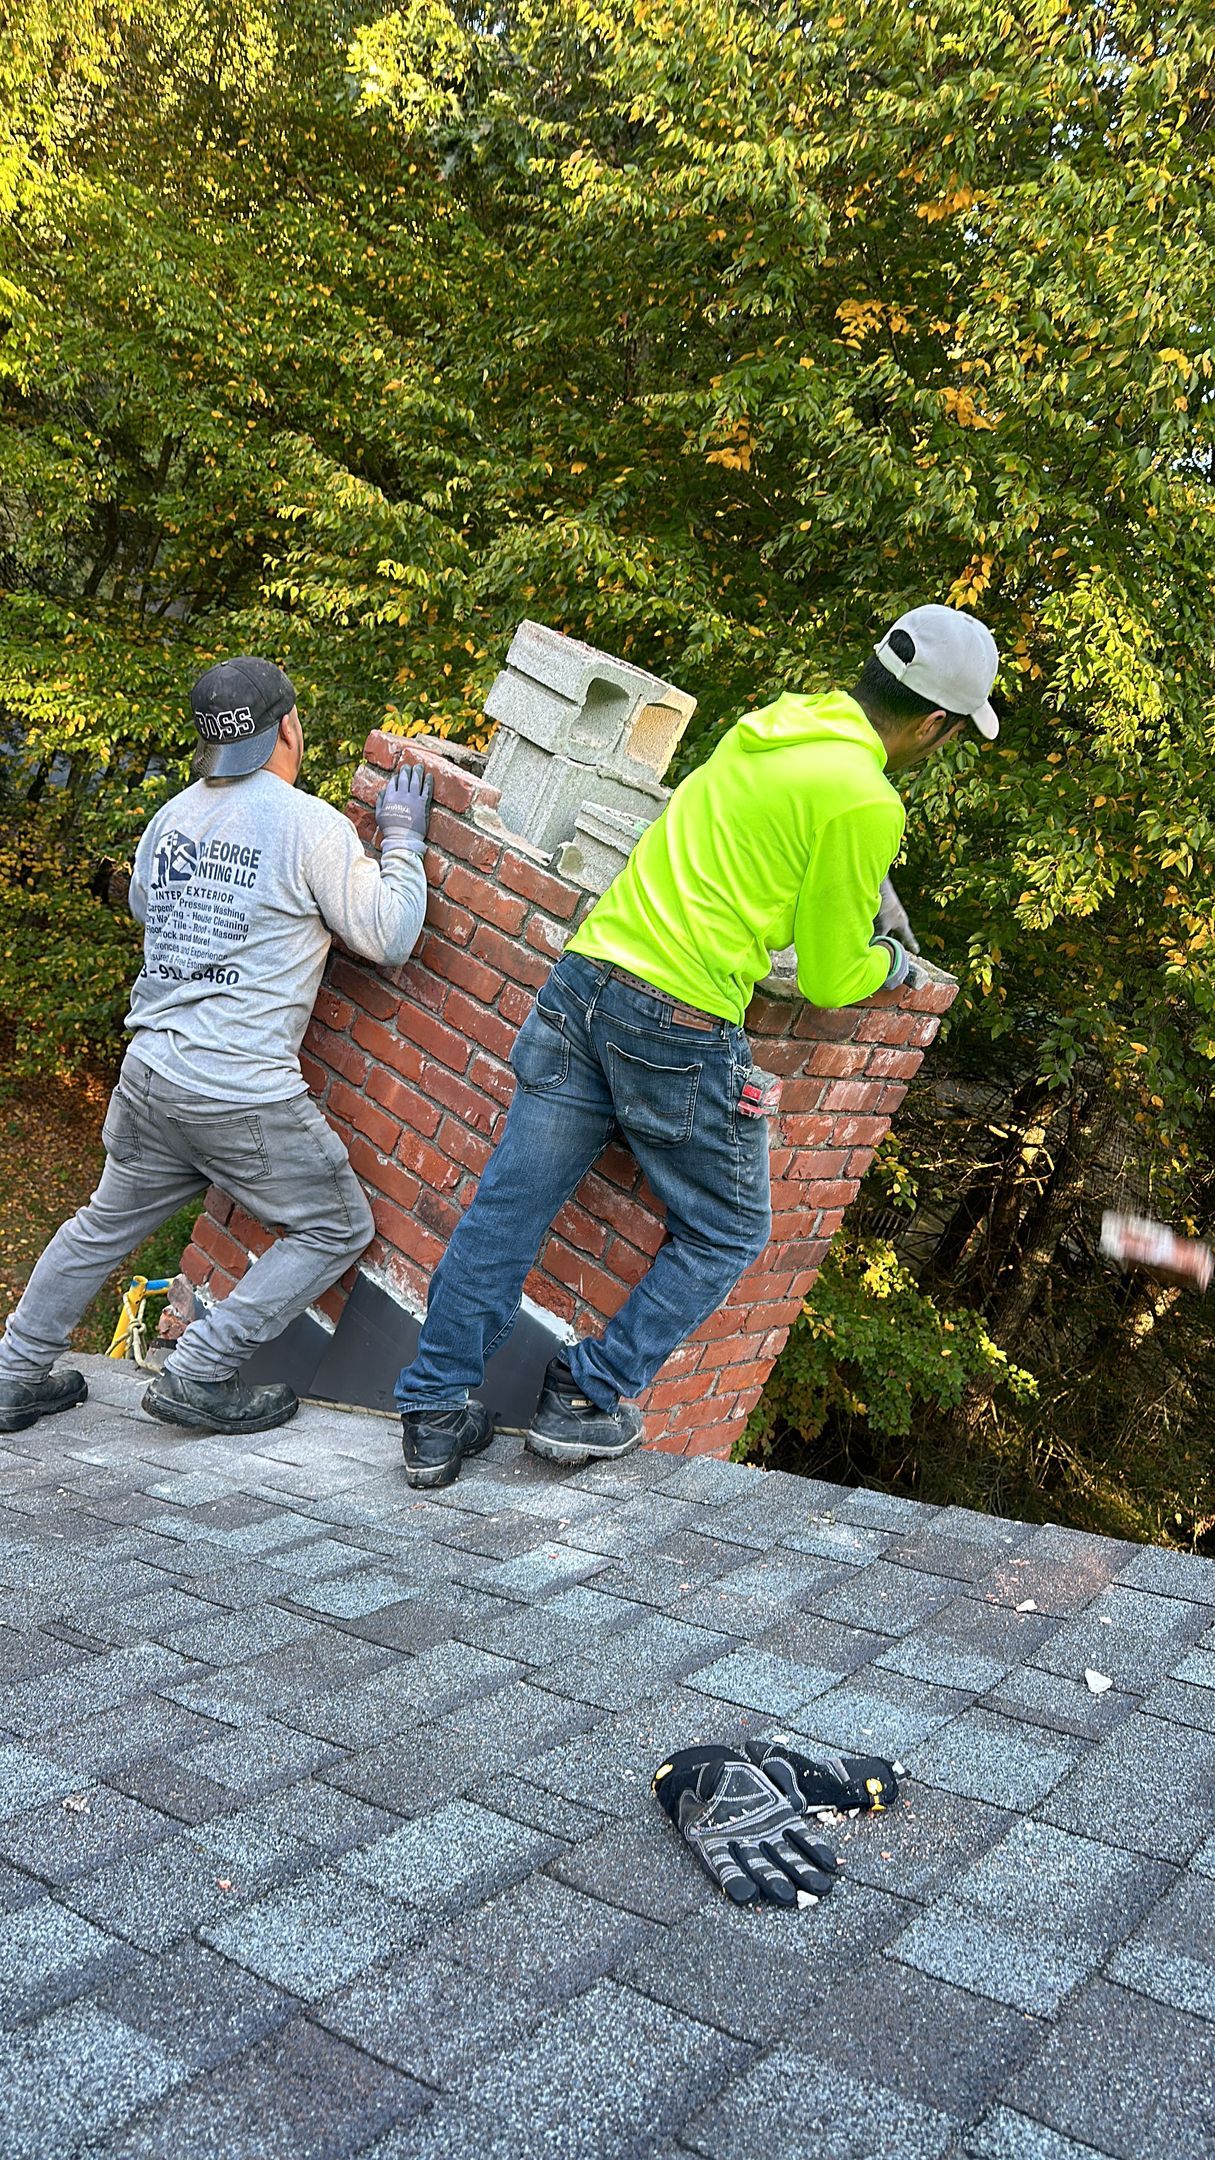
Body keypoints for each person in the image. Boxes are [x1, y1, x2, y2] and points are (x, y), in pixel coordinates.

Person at [394, 603, 1000, 1489]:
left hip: (586, 974)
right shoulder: (866, 799)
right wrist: (894, 962)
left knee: (506, 1215)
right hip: (676, 1016)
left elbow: (754, 851)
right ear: (935, 723)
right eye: (946, 740)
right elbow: (832, 980)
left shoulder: (770, 725)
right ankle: (586, 1395)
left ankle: (433, 1411)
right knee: (728, 1228)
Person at [0, 657, 431, 1438]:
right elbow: (389, 937)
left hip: (151, 1072)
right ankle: (197, 1375)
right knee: (334, 1227)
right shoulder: (310, 827)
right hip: (239, 1091)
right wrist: (402, 843)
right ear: (289, 728)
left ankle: (9, 1378)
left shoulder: (172, 816)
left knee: (101, 1224)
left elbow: (144, 903)